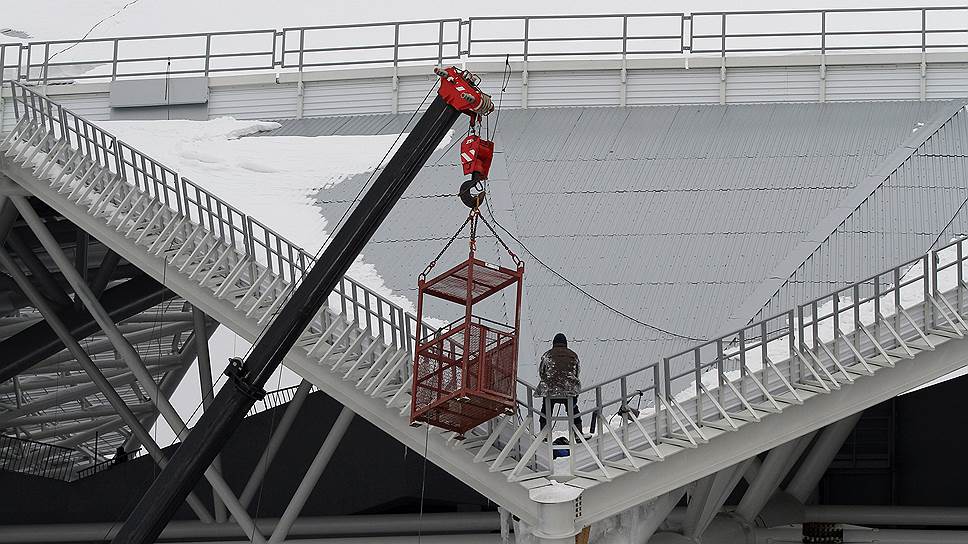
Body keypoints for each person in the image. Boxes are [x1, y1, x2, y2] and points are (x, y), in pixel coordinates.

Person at [536, 333, 583, 434]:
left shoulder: (547, 355)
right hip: (569, 390)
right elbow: (577, 372)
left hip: (551, 389)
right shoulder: (573, 355)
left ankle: (544, 434)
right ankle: (578, 434)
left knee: (545, 411)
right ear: (565, 343)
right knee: (574, 411)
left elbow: (542, 372)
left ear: (554, 343)